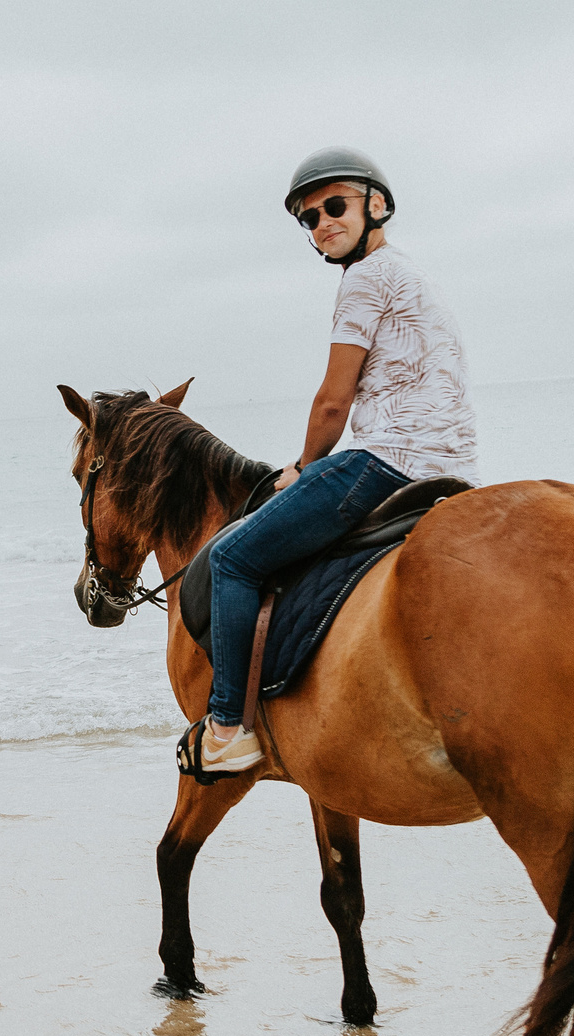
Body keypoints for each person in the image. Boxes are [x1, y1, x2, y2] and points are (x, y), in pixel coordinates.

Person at [184, 148, 479, 776]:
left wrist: (301, 463)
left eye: (334, 206)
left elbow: (332, 401)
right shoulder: (411, 275)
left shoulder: (364, 279)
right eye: (309, 218)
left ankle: (228, 726)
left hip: (387, 462)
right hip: (450, 466)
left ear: (376, 204)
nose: (322, 223)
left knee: (235, 557)